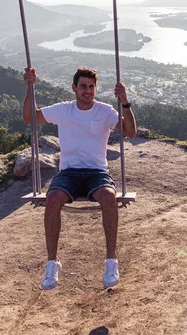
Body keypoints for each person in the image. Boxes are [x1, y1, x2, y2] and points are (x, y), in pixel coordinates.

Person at [23, 67, 136, 290]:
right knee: (53, 198)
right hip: (69, 172)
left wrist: (125, 102)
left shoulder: (105, 112)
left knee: (109, 196)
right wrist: (30, 86)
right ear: (74, 88)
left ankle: (111, 261)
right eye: (83, 86)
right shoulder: (63, 110)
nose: (87, 91)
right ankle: (52, 264)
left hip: (97, 172)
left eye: (91, 86)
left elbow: (130, 132)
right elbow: (29, 117)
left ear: (95, 88)